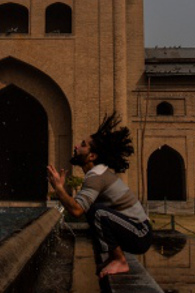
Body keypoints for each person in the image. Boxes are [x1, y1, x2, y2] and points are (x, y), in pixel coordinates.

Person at [47, 113, 152, 278]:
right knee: (93, 209)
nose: (76, 146)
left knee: (97, 211)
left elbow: (76, 211)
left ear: (92, 156)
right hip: (136, 231)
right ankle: (112, 256)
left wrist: (59, 189)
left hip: (141, 234)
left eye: (82, 145)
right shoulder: (97, 174)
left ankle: (120, 261)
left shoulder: (96, 177)